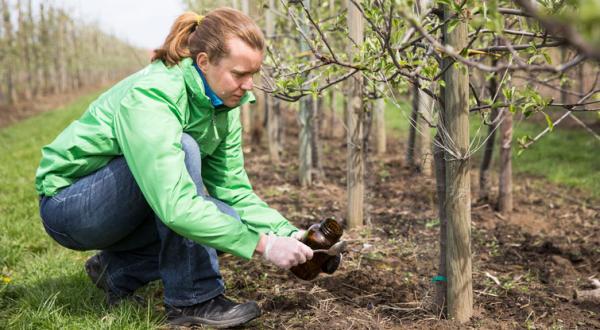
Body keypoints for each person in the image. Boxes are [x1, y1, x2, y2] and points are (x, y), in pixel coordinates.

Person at [35, 8, 323, 328]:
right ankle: (194, 300)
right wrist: (265, 245)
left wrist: (291, 234)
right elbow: (175, 204)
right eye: (239, 74)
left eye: (253, 74)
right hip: (71, 205)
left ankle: (116, 270)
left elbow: (234, 191)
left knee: (227, 220)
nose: (249, 85)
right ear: (203, 62)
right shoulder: (155, 94)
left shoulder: (224, 105)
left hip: (132, 201)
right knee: (185, 151)